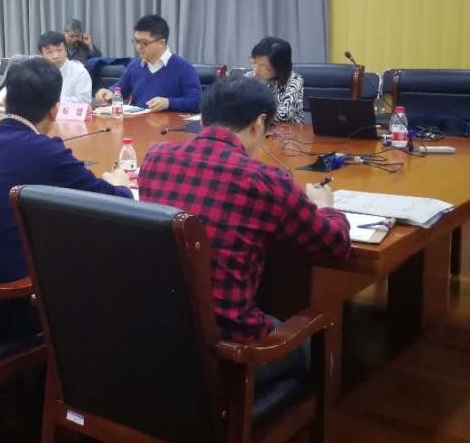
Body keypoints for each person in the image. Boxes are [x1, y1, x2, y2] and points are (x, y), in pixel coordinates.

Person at [137, 76, 350, 345]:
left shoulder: (156, 157)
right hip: (233, 348)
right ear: (259, 124)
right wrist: (326, 207)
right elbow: (335, 245)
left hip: (160, 331)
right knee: (306, 338)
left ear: (202, 120)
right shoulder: (264, 180)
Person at [0, 58, 133, 341]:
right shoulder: (42, 152)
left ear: (6, 99)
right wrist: (122, 184)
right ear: (54, 110)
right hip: (11, 304)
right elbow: (113, 203)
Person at [94, 14, 201, 112]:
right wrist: (110, 93)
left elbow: (196, 102)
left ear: (161, 43)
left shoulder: (183, 68)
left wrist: (168, 103)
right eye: (136, 41)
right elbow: (121, 90)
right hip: (137, 123)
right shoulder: (135, 65)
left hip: (169, 125)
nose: (138, 47)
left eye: (144, 43)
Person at [246, 36, 304, 124]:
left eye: (264, 67)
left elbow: (284, 114)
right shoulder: (251, 76)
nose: (256, 70)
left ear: (279, 67)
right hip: (260, 128)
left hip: (289, 130)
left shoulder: (295, 81)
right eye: (255, 63)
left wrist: (250, 111)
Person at [39, 31, 92, 104]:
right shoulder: (37, 72)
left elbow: (84, 102)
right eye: (49, 52)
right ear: (41, 55)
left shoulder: (79, 72)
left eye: (59, 50)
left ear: (66, 50)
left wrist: (52, 99)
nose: (56, 56)